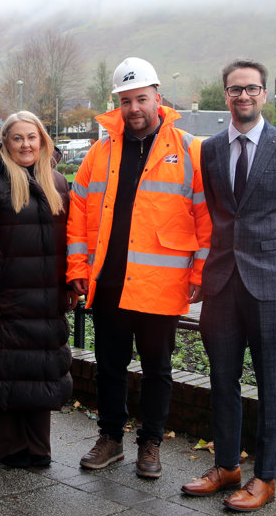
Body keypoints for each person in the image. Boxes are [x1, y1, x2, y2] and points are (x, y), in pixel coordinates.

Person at [180, 59, 276, 512]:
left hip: (270, 283)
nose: (244, 97)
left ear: (264, 94)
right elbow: (213, 212)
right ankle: (227, 467)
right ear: (226, 95)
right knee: (222, 378)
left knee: (271, 381)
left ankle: (265, 477)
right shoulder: (211, 149)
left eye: (252, 89)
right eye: (235, 90)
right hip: (221, 282)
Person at [67, 56, 211, 479]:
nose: (134, 109)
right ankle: (110, 438)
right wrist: (77, 265)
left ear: (157, 98)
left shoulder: (188, 149)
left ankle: (150, 443)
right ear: (117, 103)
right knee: (109, 366)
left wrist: (200, 275)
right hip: (108, 281)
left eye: (141, 99)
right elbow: (78, 211)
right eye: (125, 100)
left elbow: (206, 219)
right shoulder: (100, 151)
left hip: (161, 284)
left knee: (157, 371)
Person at [0, 112, 74, 468]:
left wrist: (70, 285)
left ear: (42, 141)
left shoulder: (57, 182)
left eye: (32, 137)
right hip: (5, 300)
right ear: (5, 143)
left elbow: (71, 241)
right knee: (2, 371)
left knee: (39, 375)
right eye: (18, 138)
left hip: (45, 300)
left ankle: (37, 449)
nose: (26, 144)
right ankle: (6, 450)